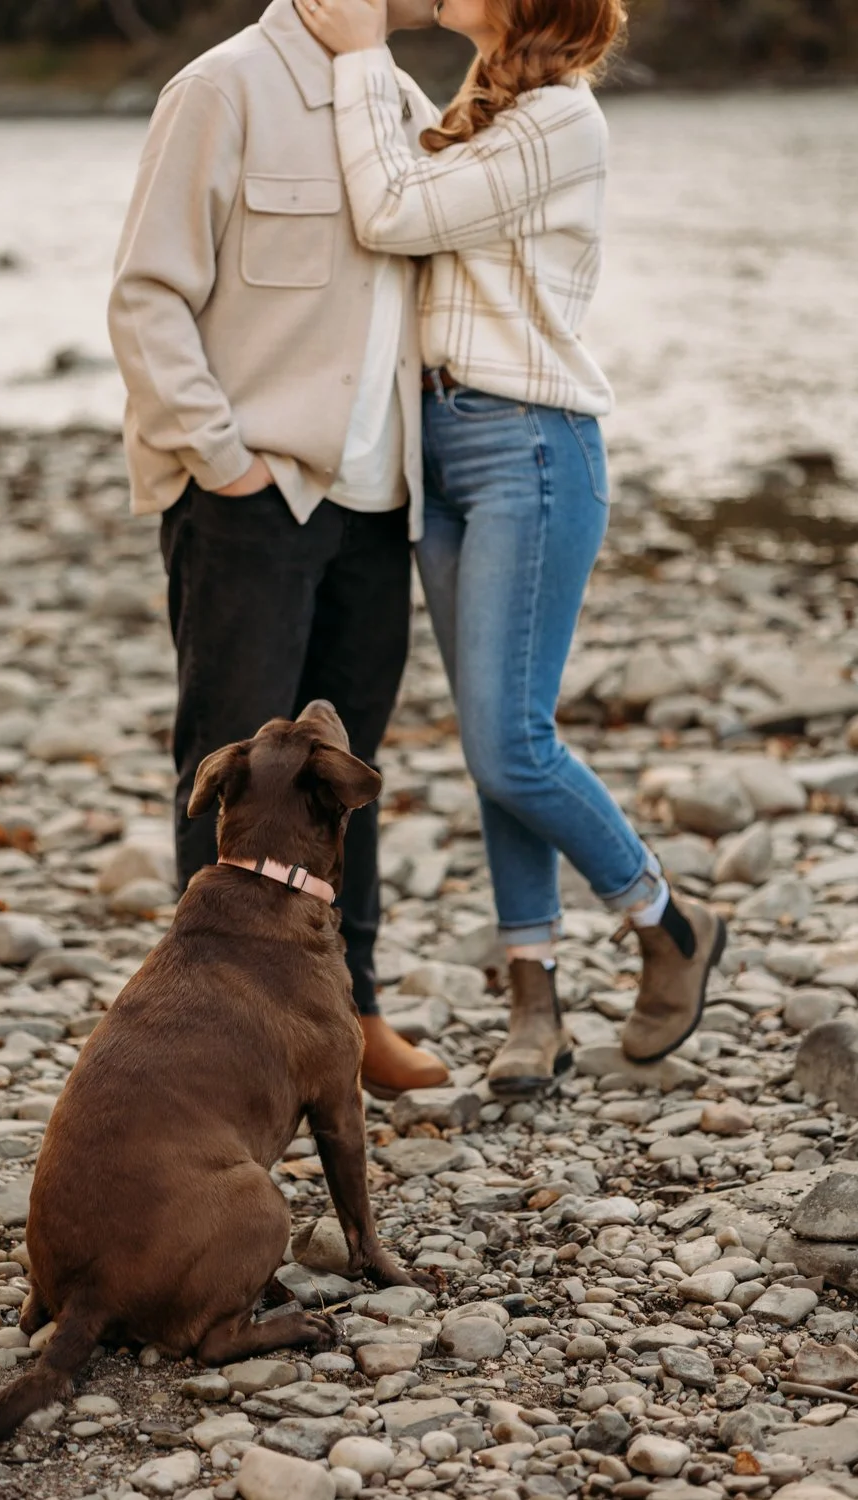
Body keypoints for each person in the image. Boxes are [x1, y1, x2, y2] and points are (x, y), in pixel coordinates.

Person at [305, 0, 726, 1094]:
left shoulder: (559, 119)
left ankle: (666, 919)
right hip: (441, 447)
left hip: (528, 446)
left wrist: (359, 60)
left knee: (508, 744)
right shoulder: (484, 101)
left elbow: (393, 212)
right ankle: (532, 1003)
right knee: (501, 743)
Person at [108, 0, 451, 1098]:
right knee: (227, 773)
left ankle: (349, 1019)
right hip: (252, 494)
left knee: (346, 780)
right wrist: (224, 460)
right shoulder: (219, 89)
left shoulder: (395, 94)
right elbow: (146, 297)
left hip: (376, 499)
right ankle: (215, 1038)